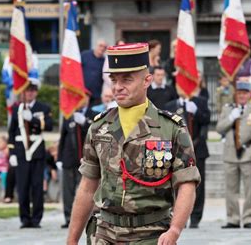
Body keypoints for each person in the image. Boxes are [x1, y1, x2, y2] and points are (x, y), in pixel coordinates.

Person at [67, 42, 200, 244]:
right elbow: (87, 186)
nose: (118, 87)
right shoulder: (99, 127)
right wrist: (71, 240)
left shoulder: (171, 128)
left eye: (127, 80)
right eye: (114, 80)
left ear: (147, 80)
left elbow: (187, 184)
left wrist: (174, 230)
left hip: (152, 235)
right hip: (105, 234)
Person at [216, 80, 251, 229]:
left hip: (249, 154)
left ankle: (248, 218)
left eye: (245, 93)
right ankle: (233, 218)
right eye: (239, 93)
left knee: (250, 189)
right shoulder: (228, 109)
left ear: (249, 94)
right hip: (230, 154)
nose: (242, 96)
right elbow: (219, 129)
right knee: (231, 189)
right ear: (236, 94)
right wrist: (231, 117)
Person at [8, 77, 53, 228]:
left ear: (36, 92)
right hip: (21, 151)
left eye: (32, 90)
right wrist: (12, 152)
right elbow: (12, 132)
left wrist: (33, 120)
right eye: (27, 90)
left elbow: (49, 126)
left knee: (37, 186)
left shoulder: (43, 107)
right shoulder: (17, 109)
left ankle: (36, 219)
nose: (29, 93)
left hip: (37, 151)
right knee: (23, 186)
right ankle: (25, 218)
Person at [164, 90, 210, 229]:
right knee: (176, 184)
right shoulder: (170, 105)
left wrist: (196, 111)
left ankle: (195, 217)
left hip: (197, 148)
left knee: (197, 184)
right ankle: (178, 217)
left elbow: (207, 120)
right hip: (176, 151)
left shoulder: (199, 102)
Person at [56, 94, 97, 228]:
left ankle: (85, 219)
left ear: (88, 99)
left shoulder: (94, 114)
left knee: (84, 191)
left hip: (85, 158)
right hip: (69, 158)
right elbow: (63, 138)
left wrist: (85, 123)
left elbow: (95, 134)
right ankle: (68, 218)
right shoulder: (69, 115)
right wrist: (59, 158)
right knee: (67, 191)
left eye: (83, 97)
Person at [81, 39, 107, 106]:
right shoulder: (85, 55)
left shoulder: (105, 61)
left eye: (104, 47)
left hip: (96, 95)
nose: (102, 48)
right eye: (100, 46)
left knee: (94, 115)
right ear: (96, 46)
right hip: (82, 93)